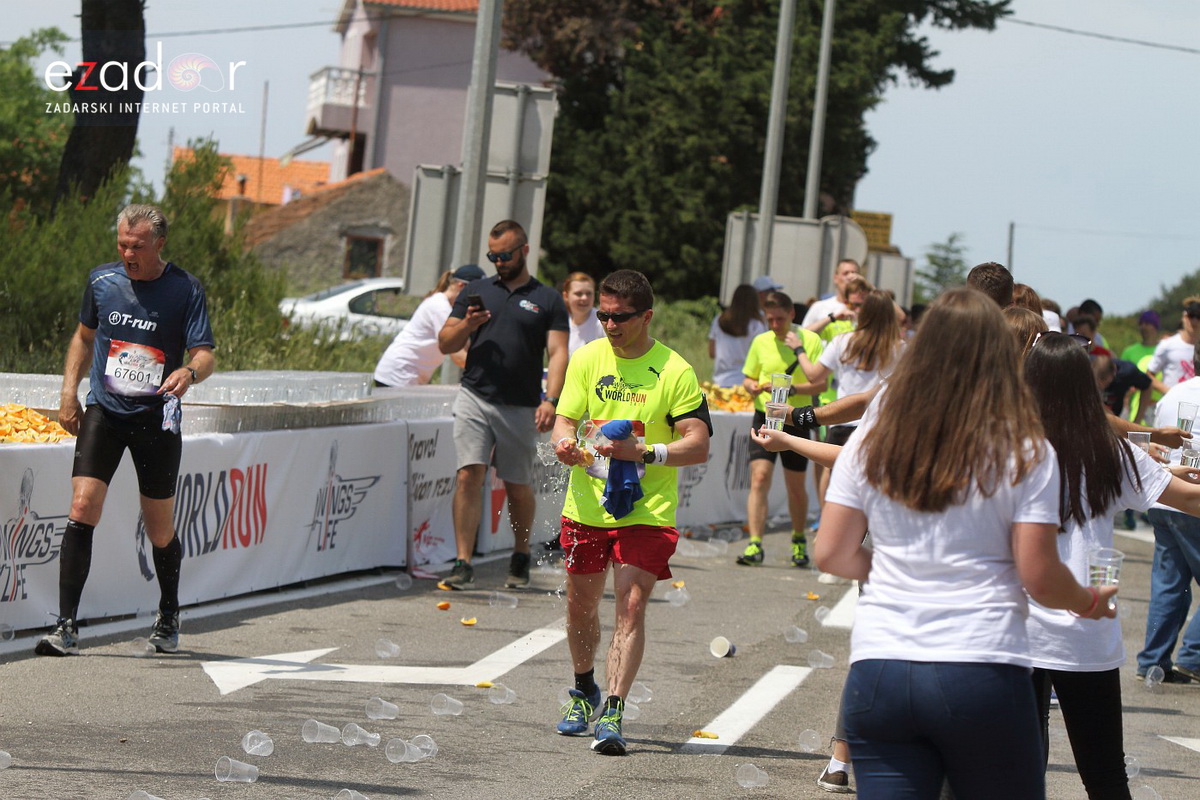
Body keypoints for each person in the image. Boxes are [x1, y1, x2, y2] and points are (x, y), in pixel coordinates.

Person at [813, 288, 1116, 798]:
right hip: (981, 665)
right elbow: (1038, 574)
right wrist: (1086, 601)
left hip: (882, 665)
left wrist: (900, 567)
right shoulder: (1025, 448)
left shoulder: (872, 439)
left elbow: (831, 553)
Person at [1024, 332, 1200, 799]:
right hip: (1086, 627)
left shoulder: (1004, 447)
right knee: (1104, 776)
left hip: (1010, 629)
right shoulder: (1110, 451)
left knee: (1009, 772)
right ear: (1088, 388)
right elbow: (1193, 499)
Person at [36, 204, 215, 656]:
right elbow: (83, 336)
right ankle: (65, 625)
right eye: (122, 244)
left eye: (137, 245)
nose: (128, 253)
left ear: (159, 243)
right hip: (106, 412)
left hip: (156, 418)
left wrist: (189, 373)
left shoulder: (185, 289)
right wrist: (67, 393)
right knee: (81, 506)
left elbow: (205, 354)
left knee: (158, 529)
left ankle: (169, 613)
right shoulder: (102, 281)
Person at [550, 269, 711, 756]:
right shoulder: (587, 358)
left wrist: (644, 453)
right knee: (581, 606)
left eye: (619, 317)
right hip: (587, 505)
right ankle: (584, 689)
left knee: (632, 605)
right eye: (602, 315)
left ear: (646, 316)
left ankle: (614, 709)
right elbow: (566, 418)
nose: (609, 325)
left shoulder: (675, 370)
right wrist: (563, 442)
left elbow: (698, 445)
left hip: (647, 510)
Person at [436, 220, 568, 590]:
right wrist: (467, 325)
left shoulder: (547, 299)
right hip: (475, 396)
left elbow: (558, 353)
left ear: (524, 250)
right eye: (493, 256)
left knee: (517, 485)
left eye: (505, 255)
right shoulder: (477, 291)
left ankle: (521, 553)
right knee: (468, 475)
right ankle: (463, 561)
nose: (499, 262)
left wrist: (551, 399)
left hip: (521, 405)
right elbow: (445, 342)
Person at [735, 291, 825, 568]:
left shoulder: (809, 340)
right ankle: (755, 544)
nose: (774, 325)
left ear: (792, 316)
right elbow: (749, 376)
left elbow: (820, 384)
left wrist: (790, 389)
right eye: (770, 319)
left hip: (795, 417)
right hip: (765, 414)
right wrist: (751, 386)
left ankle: (798, 541)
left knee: (795, 485)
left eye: (780, 319)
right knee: (759, 478)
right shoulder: (760, 341)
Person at [1137, 350, 1200, 684]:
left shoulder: (1175, 392)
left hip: (1161, 494)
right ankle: (1194, 654)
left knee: (1168, 583)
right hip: (1193, 497)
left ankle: (1152, 660)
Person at [373, 264, 484, 387]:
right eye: (477, 291)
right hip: (399, 374)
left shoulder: (447, 307)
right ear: (461, 286)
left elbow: (464, 346)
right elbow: (457, 354)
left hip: (408, 375)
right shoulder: (440, 307)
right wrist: (487, 373)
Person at [708, 283, 767, 387]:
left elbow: (712, 352)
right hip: (745, 382)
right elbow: (761, 357)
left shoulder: (719, 319)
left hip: (720, 380)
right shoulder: (756, 326)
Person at [1148, 298, 1200, 390]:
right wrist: (1169, 392)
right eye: (1191, 316)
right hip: (1173, 402)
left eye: (1199, 317)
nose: (1194, 321)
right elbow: (1149, 375)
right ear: (1184, 317)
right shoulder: (1167, 345)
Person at [801, 259, 861, 333]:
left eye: (854, 273)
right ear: (836, 278)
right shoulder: (820, 306)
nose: (850, 277)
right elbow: (803, 334)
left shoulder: (865, 309)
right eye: (846, 273)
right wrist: (831, 318)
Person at [562, 271, 605, 358]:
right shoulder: (560, 322)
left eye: (589, 293)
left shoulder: (603, 322)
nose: (584, 298)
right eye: (578, 294)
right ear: (566, 296)